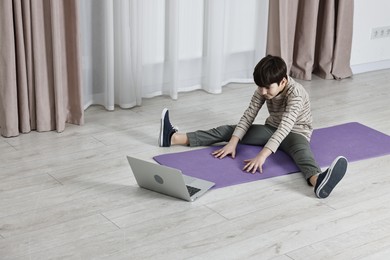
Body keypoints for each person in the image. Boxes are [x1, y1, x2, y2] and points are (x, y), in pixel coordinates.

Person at [158, 55, 347, 199]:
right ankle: (174, 137)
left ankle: (318, 182)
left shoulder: (296, 94)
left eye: (267, 88)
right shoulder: (263, 88)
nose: (263, 92)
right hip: (271, 128)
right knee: (228, 130)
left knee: (303, 153)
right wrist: (233, 142)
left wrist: (262, 156)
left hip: (295, 132)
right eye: (260, 87)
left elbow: (285, 127)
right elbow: (249, 115)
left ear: (282, 82)